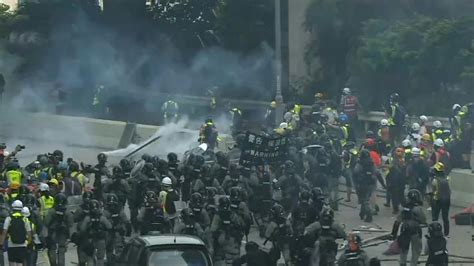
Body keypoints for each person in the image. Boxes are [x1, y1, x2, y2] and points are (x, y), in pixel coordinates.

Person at [391, 189, 427, 266]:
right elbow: (423, 220)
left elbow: (397, 221)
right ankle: (413, 264)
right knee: (416, 250)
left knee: (404, 250)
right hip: (415, 232)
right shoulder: (418, 209)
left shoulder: (403, 208)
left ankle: (402, 263)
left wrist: (393, 234)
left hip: (404, 231)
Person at [210, 197, 245, 265]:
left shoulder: (218, 215)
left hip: (220, 243)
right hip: (234, 242)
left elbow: (213, 229)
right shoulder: (233, 214)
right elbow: (241, 225)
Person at [79, 199, 112, 266]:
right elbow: (109, 227)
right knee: (100, 258)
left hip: (90, 240)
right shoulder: (102, 218)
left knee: (90, 257)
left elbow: (82, 229)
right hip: (101, 240)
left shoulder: (87, 218)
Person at [0, 200, 33, 266]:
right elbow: (29, 233)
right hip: (22, 244)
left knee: (12, 262)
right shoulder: (25, 219)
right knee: (20, 262)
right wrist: (29, 244)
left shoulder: (9, 218)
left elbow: (4, 232)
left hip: (11, 244)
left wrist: (1, 243)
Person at [45, 193, 73, 266]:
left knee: (52, 248)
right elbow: (70, 224)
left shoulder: (52, 211)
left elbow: (46, 222)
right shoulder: (67, 212)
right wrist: (70, 237)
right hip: (63, 233)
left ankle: (53, 264)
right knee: (61, 250)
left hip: (52, 232)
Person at [104, 193, 130, 265]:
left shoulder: (119, 211)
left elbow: (125, 221)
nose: (112, 207)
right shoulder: (106, 212)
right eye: (110, 205)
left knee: (118, 248)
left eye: (113, 205)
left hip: (117, 232)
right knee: (110, 248)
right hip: (110, 233)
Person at [430, 162, 451, 237]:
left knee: (435, 217)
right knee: (445, 217)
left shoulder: (435, 180)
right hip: (447, 200)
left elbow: (433, 190)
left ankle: (434, 231)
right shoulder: (447, 178)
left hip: (437, 200)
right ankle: (446, 233)